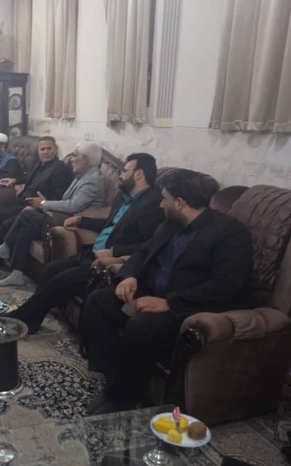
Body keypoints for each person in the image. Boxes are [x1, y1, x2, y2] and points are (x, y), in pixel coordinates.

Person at [83, 169, 253, 415]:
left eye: (164, 199)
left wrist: (170, 302)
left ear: (180, 202)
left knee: (141, 327)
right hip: (151, 292)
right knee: (99, 301)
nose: (161, 204)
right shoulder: (170, 224)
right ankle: (112, 376)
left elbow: (227, 285)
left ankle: (123, 398)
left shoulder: (230, 233)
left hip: (187, 306)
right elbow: (143, 251)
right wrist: (129, 275)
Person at [7, 153, 164, 333]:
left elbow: (148, 245)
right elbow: (110, 223)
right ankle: (33, 318)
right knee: (51, 269)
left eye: (124, 171)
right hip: (94, 252)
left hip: (108, 262)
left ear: (139, 174)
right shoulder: (123, 196)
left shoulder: (152, 204)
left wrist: (114, 251)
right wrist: (81, 221)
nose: (120, 175)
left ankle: (21, 319)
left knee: (62, 280)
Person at [0, 142, 106, 287]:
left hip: (70, 222)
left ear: (85, 159)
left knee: (26, 215)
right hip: (59, 215)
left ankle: (6, 246)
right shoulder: (82, 175)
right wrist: (44, 204)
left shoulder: (92, 180)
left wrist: (43, 204)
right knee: (25, 227)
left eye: (76, 156)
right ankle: (17, 274)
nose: (72, 159)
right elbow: (65, 200)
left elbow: (73, 205)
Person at [0, 135, 74, 245]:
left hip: (34, 209)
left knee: (6, 223)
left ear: (56, 150)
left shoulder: (58, 168)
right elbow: (28, 177)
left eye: (49, 149)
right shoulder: (40, 164)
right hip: (21, 204)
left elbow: (58, 196)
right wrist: (15, 180)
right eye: (42, 149)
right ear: (38, 151)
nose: (45, 152)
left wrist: (42, 204)